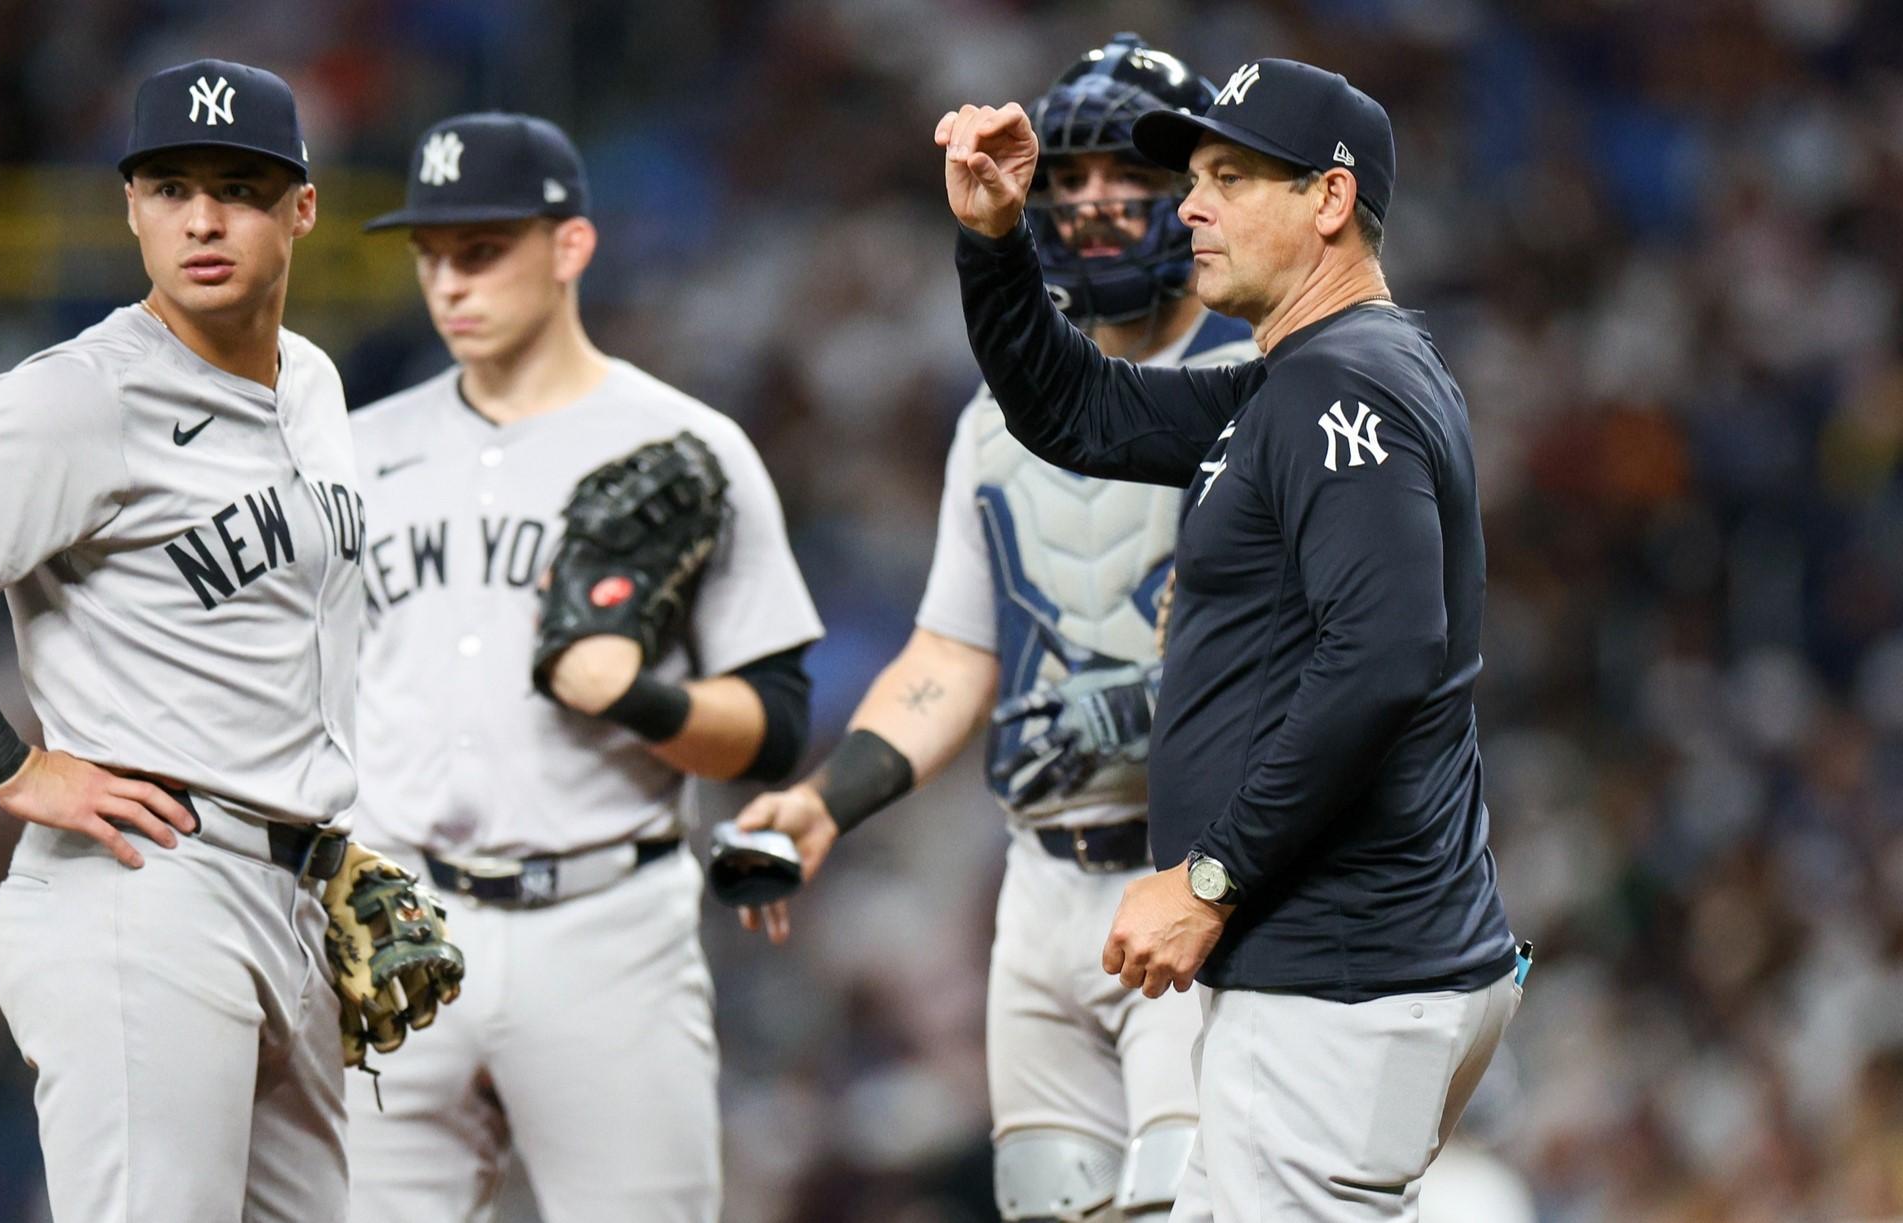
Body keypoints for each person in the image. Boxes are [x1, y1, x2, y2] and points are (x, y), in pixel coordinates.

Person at [936, 58, 1525, 1220]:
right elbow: (1077, 409)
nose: (1189, 204)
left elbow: (1385, 654)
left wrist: (1212, 876)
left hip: (1336, 972)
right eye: (1193, 176)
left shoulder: (1335, 388)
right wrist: (998, 240)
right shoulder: (1303, 380)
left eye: (1230, 176)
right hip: (1348, 962)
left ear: (1329, 201)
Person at [0, 60, 368, 1222]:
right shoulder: (90, 394)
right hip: (151, 889)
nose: (203, 218)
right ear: (131, 209)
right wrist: (13, 765)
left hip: (300, 900)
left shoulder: (314, 384)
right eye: (170, 187)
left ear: (302, 209)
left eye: (240, 186)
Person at [732, 34, 1253, 1222]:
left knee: (1197, 1204)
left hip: (1200, 873)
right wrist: (827, 801)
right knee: (1047, 1204)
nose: (1095, 201)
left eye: (1131, 169)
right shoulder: (994, 421)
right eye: (1066, 178)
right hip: (1041, 878)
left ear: (1195, 194)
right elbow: (956, 650)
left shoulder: (1269, 386)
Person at [340, 112, 823, 1222]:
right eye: (431, 257)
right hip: (396, 922)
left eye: (481, 251)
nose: (450, 284)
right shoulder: (355, 452)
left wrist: (637, 698)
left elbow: (780, 721)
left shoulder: (683, 444)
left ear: (571, 247)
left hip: (606, 929)